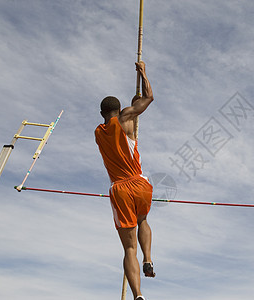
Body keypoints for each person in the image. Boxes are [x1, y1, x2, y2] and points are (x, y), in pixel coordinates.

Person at [95, 61, 155, 300]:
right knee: (144, 221)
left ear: (102, 114)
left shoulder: (98, 132)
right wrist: (143, 73)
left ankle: (138, 295)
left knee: (129, 248)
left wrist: (132, 105)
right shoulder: (127, 119)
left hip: (120, 188)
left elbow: (127, 114)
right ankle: (148, 259)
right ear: (121, 109)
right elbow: (149, 98)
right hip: (140, 184)